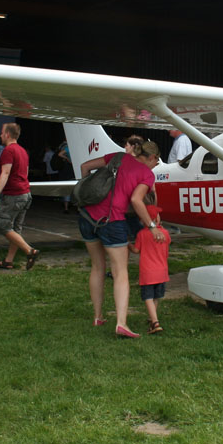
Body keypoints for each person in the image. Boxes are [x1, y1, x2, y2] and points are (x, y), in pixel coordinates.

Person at [78, 139, 163, 338]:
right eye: (156, 161)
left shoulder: (118, 157)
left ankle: (98, 316)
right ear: (151, 157)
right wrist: (151, 227)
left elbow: (85, 167)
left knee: (97, 267)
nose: (155, 165)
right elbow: (135, 200)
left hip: (86, 216)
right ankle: (121, 323)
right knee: (120, 272)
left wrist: (87, 192)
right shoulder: (146, 174)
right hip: (112, 220)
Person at [0, 123, 40, 270]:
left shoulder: (8, 151)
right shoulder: (23, 151)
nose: (0, 135)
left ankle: (29, 251)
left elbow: (5, 173)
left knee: (2, 225)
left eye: (1, 132)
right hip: (25, 193)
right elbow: (25, 172)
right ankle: (8, 261)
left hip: (14, 194)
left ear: (7, 134)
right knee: (15, 229)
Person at [133, 204, 171, 334]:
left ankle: (155, 323)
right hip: (162, 272)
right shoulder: (165, 233)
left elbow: (136, 250)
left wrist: (127, 245)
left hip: (148, 272)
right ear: (157, 219)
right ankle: (151, 318)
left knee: (147, 297)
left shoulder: (141, 234)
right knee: (156, 297)